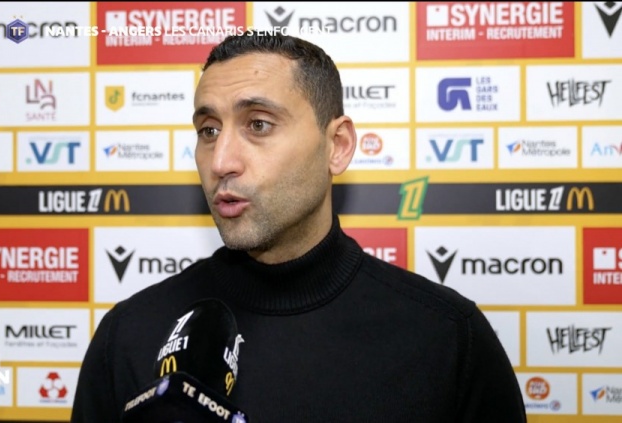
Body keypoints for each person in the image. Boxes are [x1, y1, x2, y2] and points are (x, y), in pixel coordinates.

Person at [71, 31, 527, 422]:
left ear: (338, 145)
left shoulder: (448, 339)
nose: (221, 161)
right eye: (209, 130)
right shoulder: (129, 336)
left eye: (258, 124)